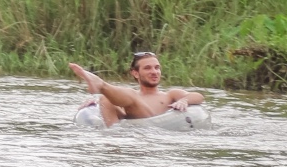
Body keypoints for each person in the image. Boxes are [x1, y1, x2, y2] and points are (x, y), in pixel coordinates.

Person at [69, 52, 202, 125]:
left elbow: (198, 96)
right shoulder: (128, 98)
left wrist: (184, 101)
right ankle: (102, 90)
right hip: (131, 134)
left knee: (128, 97)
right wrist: (95, 106)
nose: (154, 72)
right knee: (105, 99)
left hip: (160, 130)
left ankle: (102, 85)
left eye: (157, 67)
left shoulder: (170, 95)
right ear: (135, 73)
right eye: (147, 68)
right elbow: (115, 110)